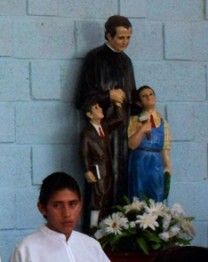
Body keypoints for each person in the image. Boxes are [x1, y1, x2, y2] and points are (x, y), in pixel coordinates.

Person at [75, 15, 138, 206]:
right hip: (101, 133)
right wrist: (107, 96)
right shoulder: (94, 58)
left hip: (122, 133)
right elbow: (81, 99)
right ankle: (98, 232)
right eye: (120, 38)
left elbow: (132, 98)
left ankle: (120, 229)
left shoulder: (127, 62)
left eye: (128, 38)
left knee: (121, 183)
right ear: (108, 35)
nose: (125, 42)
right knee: (100, 189)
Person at [9, 172, 109, 262]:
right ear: (42, 208)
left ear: (80, 204)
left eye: (72, 204)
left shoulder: (91, 246)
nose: (67, 214)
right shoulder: (26, 251)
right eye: (57, 205)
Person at [80, 96, 123, 233]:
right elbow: (84, 153)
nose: (100, 109)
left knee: (106, 199)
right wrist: (87, 170)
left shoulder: (104, 127)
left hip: (107, 170)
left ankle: (103, 226)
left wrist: (118, 105)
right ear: (89, 114)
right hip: (97, 170)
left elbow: (119, 120)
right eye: (96, 108)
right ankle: (93, 227)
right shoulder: (87, 133)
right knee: (97, 199)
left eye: (100, 107)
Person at [128, 85, 171, 201]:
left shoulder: (163, 123)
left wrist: (167, 168)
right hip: (139, 161)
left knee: (157, 194)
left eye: (151, 94)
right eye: (144, 96)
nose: (148, 97)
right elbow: (131, 145)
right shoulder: (134, 120)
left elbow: (165, 148)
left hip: (156, 162)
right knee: (138, 195)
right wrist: (141, 130)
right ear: (138, 102)